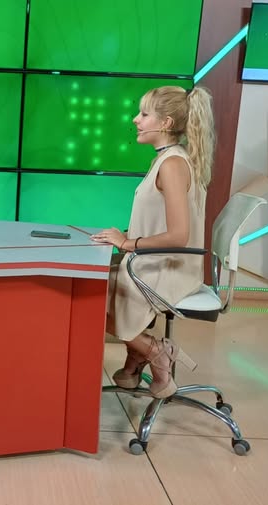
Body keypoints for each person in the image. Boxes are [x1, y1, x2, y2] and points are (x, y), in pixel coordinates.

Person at [91, 86, 215, 399]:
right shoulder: (169, 159)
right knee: (99, 282)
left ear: (166, 123)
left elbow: (178, 236)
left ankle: (155, 352)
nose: (136, 120)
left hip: (169, 270)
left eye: (144, 114)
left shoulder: (172, 165)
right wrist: (125, 237)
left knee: (88, 296)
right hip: (159, 262)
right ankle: (135, 361)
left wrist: (127, 243)